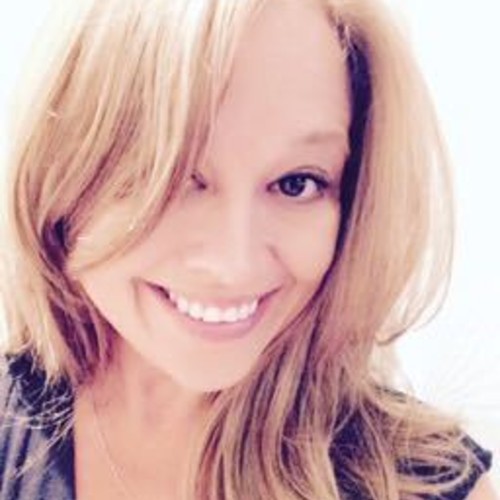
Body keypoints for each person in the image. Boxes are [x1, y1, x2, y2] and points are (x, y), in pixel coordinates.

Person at [0, 0, 495, 498]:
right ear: (62, 178)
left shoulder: (422, 486)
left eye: (297, 183)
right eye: (170, 175)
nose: (232, 265)